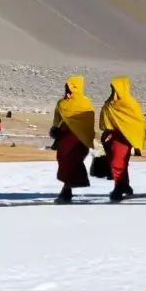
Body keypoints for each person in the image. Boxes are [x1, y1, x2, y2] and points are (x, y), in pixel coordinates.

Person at [98, 76, 145, 203]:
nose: (113, 91)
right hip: (111, 138)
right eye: (112, 88)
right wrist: (108, 131)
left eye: (116, 88)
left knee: (117, 163)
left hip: (124, 138)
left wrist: (136, 142)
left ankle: (119, 188)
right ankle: (125, 186)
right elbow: (104, 121)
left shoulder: (130, 104)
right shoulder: (109, 103)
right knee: (118, 163)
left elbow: (137, 124)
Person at [51, 76, 95, 204]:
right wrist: (55, 130)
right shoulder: (61, 103)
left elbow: (88, 121)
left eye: (69, 87)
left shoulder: (85, 103)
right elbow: (56, 120)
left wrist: (88, 137)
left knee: (72, 162)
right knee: (63, 159)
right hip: (65, 136)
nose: (67, 90)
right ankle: (67, 189)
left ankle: (66, 191)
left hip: (79, 139)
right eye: (66, 87)